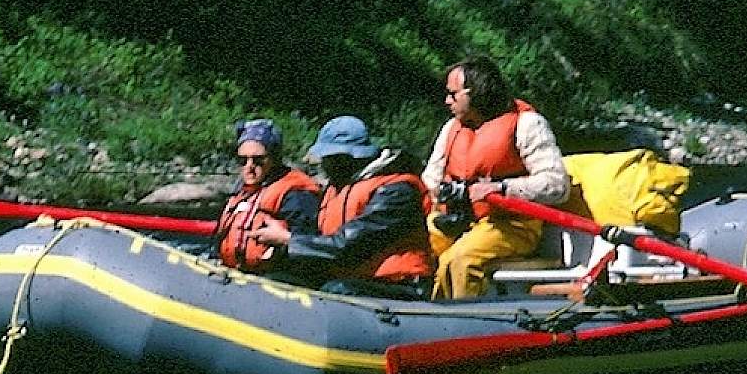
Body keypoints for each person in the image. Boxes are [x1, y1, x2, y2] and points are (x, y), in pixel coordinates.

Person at [421, 55, 569, 299]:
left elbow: (557, 185)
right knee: (415, 241)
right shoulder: (452, 128)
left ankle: (464, 326)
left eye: (453, 94)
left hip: (512, 225)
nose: (447, 101)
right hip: (460, 220)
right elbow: (430, 180)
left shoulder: (527, 124)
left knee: (460, 260)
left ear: (476, 93)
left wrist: (502, 188)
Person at [250, 116, 434, 296]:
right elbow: (316, 237)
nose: (324, 164)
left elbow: (347, 245)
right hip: (354, 279)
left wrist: (287, 239)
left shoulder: (397, 192)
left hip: (401, 284)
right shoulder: (336, 188)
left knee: (337, 289)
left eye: (330, 158)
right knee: (278, 280)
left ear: (348, 157)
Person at [214, 118, 321, 272]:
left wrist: (282, 245)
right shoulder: (241, 191)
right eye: (242, 160)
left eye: (258, 160)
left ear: (274, 158)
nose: (249, 167)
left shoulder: (296, 194)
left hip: (280, 277)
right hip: (239, 273)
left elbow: (305, 250)